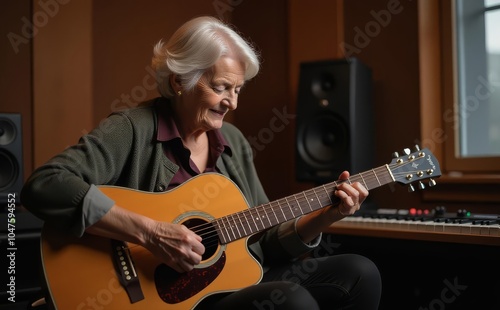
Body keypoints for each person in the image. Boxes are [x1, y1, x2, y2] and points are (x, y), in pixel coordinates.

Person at [21, 16, 381, 309]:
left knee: (360, 272)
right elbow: (45, 185)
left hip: (231, 281)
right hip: (161, 296)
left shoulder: (233, 143)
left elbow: (264, 240)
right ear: (180, 80)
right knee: (292, 302)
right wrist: (150, 232)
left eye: (238, 90)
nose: (232, 103)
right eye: (222, 87)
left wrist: (326, 216)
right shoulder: (132, 128)